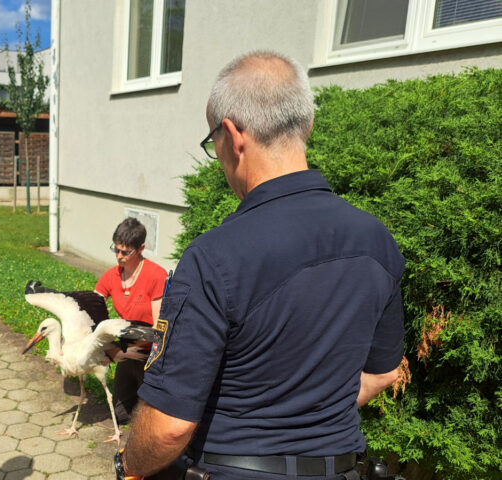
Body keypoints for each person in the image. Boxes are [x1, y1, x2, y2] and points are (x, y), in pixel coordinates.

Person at [116, 51, 404, 480]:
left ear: (233, 136)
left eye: (212, 142)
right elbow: (382, 373)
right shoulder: (378, 240)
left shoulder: (215, 257)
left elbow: (167, 428)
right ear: (305, 126)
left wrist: (130, 466)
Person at [95, 217, 168, 425]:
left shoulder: (156, 276)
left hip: (150, 355)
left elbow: (158, 327)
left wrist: (127, 349)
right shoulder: (111, 276)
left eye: (126, 252)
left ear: (141, 248)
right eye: (116, 250)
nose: (119, 256)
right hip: (127, 351)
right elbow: (92, 309)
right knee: (120, 416)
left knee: (149, 421)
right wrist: (110, 350)